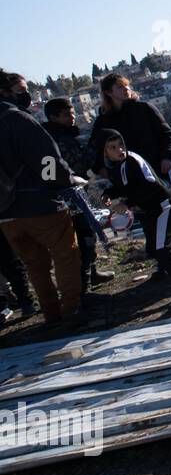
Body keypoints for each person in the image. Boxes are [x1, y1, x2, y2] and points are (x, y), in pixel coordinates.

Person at [0, 69, 84, 327]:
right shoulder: (17, 120)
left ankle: (51, 313)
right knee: (65, 254)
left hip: (6, 213)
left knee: (34, 265)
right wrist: (66, 179)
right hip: (39, 204)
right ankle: (71, 310)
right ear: (4, 92)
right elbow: (47, 161)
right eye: (21, 90)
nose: (26, 95)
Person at [100, 129, 171, 307]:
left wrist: (127, 203)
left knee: (162, 248)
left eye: (121, 145)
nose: (119, 150)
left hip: (164, 205)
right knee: (155, 249)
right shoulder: (117, 167)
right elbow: (124, 186)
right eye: (113, 147)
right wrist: (108, 193)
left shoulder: (132, 161)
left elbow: (146, 187)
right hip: (152, 210)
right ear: (105, 152)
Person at [91, 72, 171, 252]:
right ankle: (166, 263)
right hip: (133, 180)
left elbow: (167, 135)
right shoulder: (103, 122)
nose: (126, 89)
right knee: (150, 222)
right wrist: (108, 173)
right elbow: (95, 153)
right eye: (119, 86)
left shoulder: (144, 108)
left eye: (126, 85)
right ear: (108, 93)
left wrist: (167, 157)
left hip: (159, 170)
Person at [42, 97, 115, 289]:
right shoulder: (60, 139)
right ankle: (85, 285)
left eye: (73, 113)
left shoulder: (53, 136)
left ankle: (91, 273)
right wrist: (96, 145)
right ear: (53, 117)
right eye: (67, 114)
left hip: (69, 195)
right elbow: (81, 164)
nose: (72, 117)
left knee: (86, 235)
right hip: (70, 198)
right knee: (84, 239)